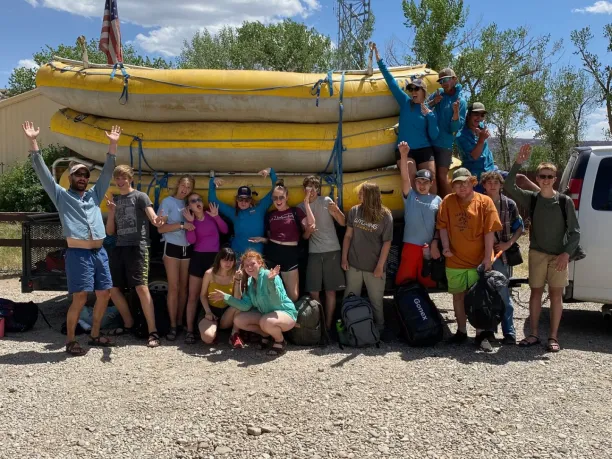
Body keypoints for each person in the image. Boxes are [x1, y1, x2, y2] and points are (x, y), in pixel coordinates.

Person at [22, 121, 119, 356]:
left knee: (105, 294)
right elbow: (44, 175)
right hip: (78, 254)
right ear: (72, 178)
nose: (83, 178)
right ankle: (71, 340)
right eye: (78, 175)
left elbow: (107, 172)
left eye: (85, 175)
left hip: (99, 252)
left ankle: (94, 335)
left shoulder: (94, 196)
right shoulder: (62, 197)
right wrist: (33, 142)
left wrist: (113, 145)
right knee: (79, 298)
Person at [504, 145, 580, 352]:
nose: (546, 179)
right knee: (535, 294)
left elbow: (575, 232)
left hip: (559, 256)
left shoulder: (564, 202)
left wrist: (566, 253)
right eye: (542, 176)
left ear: (555, 178)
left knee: (556, 296)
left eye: (550, 176)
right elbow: (509, 185)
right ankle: (534, 334)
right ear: (537, 178)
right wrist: (518, 162)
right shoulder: (533, 199)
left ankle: (553, 337)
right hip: (537, 253)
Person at [436, 167, 502, 351]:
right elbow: (442, 226)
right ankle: (461, 331)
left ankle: (480, 334)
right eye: (457, 184)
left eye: (465, 183)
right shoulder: (448, 202)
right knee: (458, 297)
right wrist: (445, 247)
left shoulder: (485, 202)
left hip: (477, 261)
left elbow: (490, 231)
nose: (462, 187)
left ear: (472, 183)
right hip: (455, 260)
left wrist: (487, 258)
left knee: (478, 299)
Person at [104, 165, 165, 348]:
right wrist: (112, 212)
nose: (120, 181)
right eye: (117, 178)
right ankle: (129, 323)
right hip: (120, 247)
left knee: (141, 288)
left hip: (138, 247)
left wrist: (157, 221)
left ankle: (152, 331)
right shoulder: (115, 199)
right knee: (113, 289)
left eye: (124, 178)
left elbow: (152, 217)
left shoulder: (140, 196)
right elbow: (110, 232)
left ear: (130, 179)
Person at [372, 43, 440, 194]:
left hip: (424, 149)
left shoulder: (429, 111)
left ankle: (434, 214)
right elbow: (391, 82)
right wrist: (379, 60)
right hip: (405, 150)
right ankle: (413, 212)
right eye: (411, 89)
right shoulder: (405, 102)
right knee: (412, 178)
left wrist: (430, 116)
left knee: (431, 179)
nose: (413, 92)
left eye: (416, 89)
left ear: (423, 91)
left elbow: (434, 135)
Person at [212, 250, 297, 356]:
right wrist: (225, 297)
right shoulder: (250, 282)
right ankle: (265, 335)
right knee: (239, 320)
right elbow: (245, 306)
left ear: (260, 263)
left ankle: (280, 341)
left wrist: (271, 282)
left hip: (285, 313)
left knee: (266, 321)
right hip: (266, 315)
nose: (249, 267)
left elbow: (277, 300)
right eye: (246, 265)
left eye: (253, 264)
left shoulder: (268, 275)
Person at [342, 182, 394, 340]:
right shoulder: (355, 211)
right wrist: (344, 258)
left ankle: (379, 330)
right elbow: (348, 236)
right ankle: (348, 326)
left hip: (374, 268)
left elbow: (387, 243)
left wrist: (380, 266)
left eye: (362, 193)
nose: (359, 196)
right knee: (350, 298)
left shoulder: (385, 215)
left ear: (371, 195)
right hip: (354, 265)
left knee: (376, 301)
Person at [249, 180, 315, 301]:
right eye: (275, 198)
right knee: (268, 290)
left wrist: (306, 202)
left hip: (290, 254)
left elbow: (311, 225)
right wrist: (263, 239)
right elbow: (270, 237)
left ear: (287, 197)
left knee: (293, 295)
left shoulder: (295, 211)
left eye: (281, 197)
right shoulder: (270, 215)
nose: (278, 201)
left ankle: (287, 316)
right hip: (272, 253)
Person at [481, 170, 524, 345]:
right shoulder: (478, 203)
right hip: (481, 255)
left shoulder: (509, 205)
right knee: (485, 295)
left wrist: (508, 244)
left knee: (503, 294)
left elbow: (519, 227)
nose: (492, 185)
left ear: (501, 185)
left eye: (496, 182)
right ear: (484, 185)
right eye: (489, 182)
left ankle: (509, 332)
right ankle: (489, 331)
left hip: (502, 256)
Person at [456, 103, 539, 194]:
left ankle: (546, 196)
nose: (479, 118)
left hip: (492, 171)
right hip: (477, 177)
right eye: (476, 114)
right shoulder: (461, 136)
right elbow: (474, 156)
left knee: (521, 179)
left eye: (482, 115)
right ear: (468, 115)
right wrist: (481, 139)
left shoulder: (480, 126)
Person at [298, 176, 346, 330]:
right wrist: (308, 230)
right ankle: (318, 325)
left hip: (332, 249)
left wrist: (337, 211)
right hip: (314, 252)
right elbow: (306, 234)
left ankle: (328, 326)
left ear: (318, 190)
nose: (311, 192)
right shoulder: (300, 207)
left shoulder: (326, 201)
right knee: (314, 292)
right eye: (308, 188)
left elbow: (343, 222)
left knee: (331, 291)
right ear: (304, 189)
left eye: (314, 189)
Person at [182, 193, 228, 344]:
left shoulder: (211, 215)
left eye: (199, 199)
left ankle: (215, 326)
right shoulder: (190, 219)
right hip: (198, 258)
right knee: (193, 296)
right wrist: (190, 223)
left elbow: (225, 230)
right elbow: (192, 240)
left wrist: (216, 217)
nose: (197, 202)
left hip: (214, 259)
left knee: (213, 294)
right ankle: (189, 330)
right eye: (193, 201)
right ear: (189, 206)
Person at [395, 142, 442, 288]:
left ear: (431, 183)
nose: (422, 185)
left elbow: (441, 225)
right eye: (419, 182)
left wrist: (436, 243)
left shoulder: (437, 200)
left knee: (427, 281)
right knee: (404, 280)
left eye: (425, 182)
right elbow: (404, 178)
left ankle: (424, 308)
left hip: (428, 248)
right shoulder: (410, 196)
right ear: (415, 183)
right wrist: (403, 155)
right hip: (410, 245)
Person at [158, 175, 196, 341]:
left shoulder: (189, 203)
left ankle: (180, 322)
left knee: (184, 288)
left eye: (188, 187)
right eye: (183, 185)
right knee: (173, 287)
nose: (185, 189)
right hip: (172, 246)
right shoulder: (168, 202)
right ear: (178, 185)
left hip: (186, 247)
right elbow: (161, 228)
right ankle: (172, 325)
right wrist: (181, 225)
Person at [208, 167, 277, 257]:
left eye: (247, 199)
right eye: (240, 199)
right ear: (236, 199)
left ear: (251, 200)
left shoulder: (260, 208)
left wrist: (271, 171)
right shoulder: (233, 213)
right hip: (238, 254)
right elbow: (213, 202)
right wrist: (212, 182)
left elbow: (275, 191)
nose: (243, 202)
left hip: (256, 256)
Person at [427, 68, 467, 197]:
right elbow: (422, 108)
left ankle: (451, 205)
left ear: (454, 80)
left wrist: (455, 113)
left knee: (441, 176)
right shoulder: (437, 94)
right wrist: (434, 102)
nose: (443, 83)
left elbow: (454, 129)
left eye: (446, 80)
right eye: (441, 81)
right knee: (430, 175)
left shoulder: (461, 101)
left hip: (444, 144)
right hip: (429, 140)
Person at [198, 248, 243, 348]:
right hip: (211, 310)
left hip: (227, 312)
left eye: (231, 260)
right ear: (219, 260)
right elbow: (202, 295)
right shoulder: (209, 273)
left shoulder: (235, 274)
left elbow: (237, 298)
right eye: (225, 260)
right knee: (207, 338)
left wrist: (238, 281)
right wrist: (208, 312)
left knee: (238, 305)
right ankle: (214, 331)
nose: (228, 263)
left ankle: (234, 334)